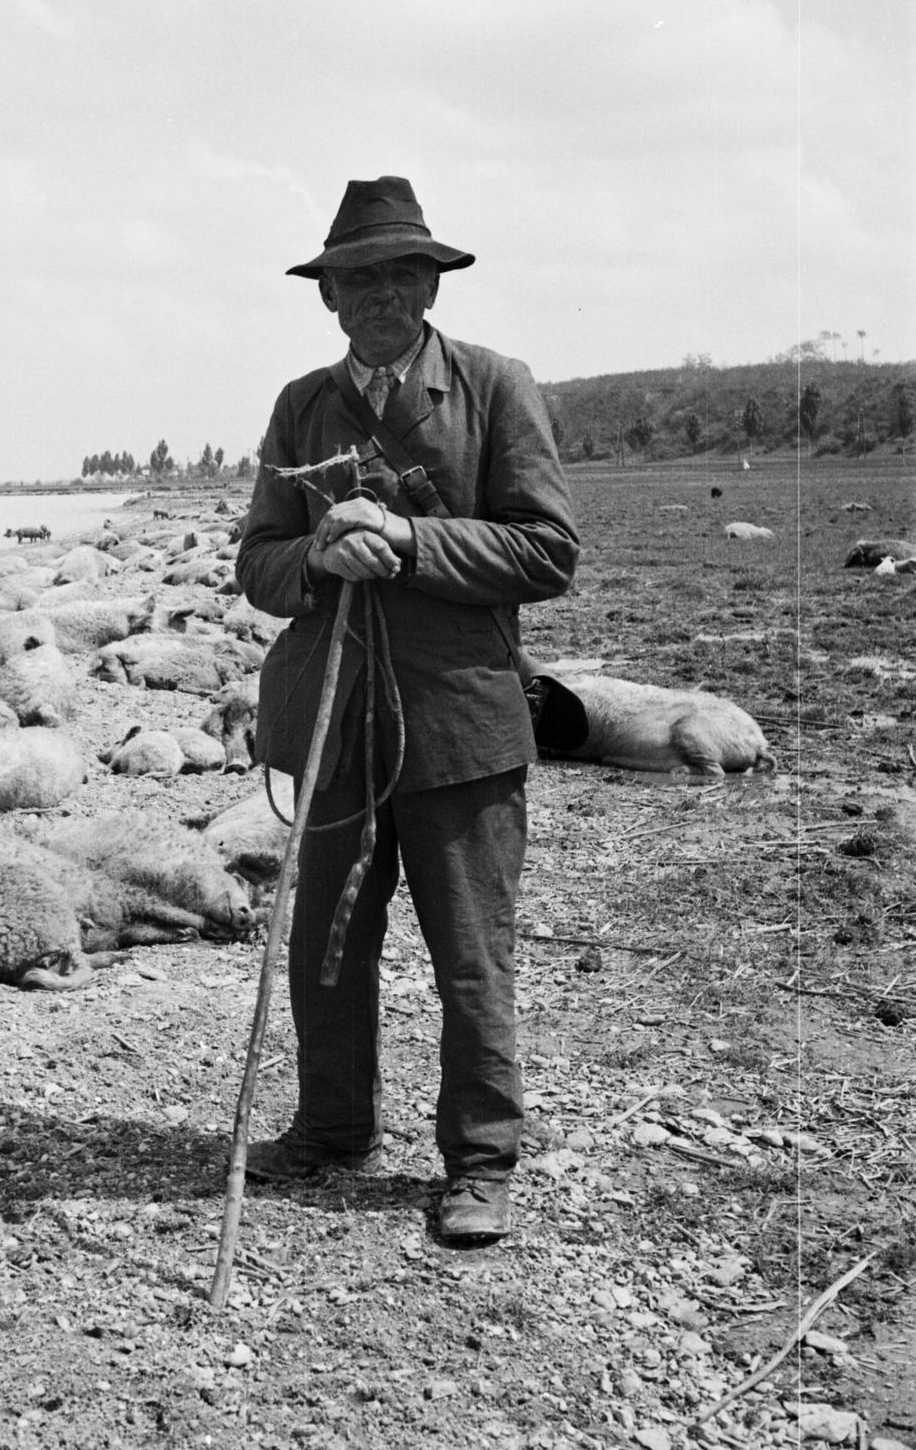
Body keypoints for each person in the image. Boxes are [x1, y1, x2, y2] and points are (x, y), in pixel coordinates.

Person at [234, 175, 580, 1243]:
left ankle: (479, 1161)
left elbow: (548, 548)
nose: (379, 293)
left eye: (400, 273)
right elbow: (255, 559)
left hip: (459, 724)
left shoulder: (493, 386)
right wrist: (316, 553)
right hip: (334, 723)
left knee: (470, 949)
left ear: (430, 284)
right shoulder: (301, 404)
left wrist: (412, 541)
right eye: (356, 277)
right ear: (327, 296)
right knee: (324, 947)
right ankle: (332, 1127)